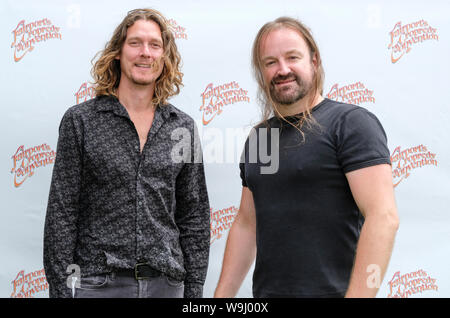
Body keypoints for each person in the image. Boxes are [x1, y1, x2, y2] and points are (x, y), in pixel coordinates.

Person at [214, 17, 399, 298]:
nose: (282, 69)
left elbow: (383, 216)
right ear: (261, 72)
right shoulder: (260, 137)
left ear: (314, 60)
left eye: (292, 57)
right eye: (270, 62)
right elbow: (246, 224)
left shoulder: (350, 123)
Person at [44, 8, 210, 298]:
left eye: (154, 45)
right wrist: (60, 290)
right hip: (95, 285)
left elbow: (193, 216)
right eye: (135, 43)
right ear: (118, 52)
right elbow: (62, 214)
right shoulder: (81, 121)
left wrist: (193, 293)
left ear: (164, 57)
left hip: (166, 285)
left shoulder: (182, 127)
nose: (145, 52)